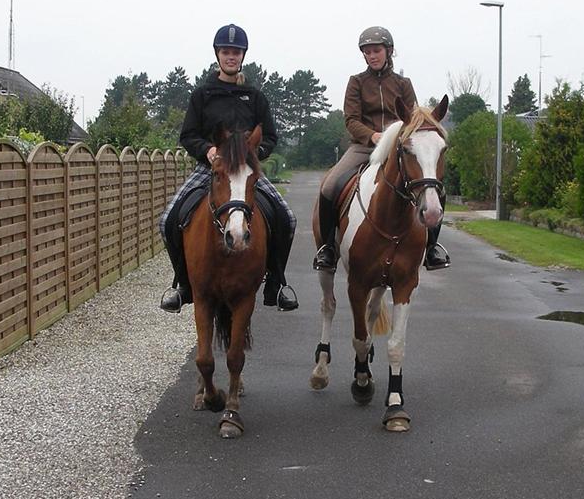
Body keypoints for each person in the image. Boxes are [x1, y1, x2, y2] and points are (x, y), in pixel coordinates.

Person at [159, 23, 298, 313]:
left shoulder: (255, 97)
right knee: (168, 219)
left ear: (243, 55)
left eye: (236, 52)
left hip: (245, 172)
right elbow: (188, 135)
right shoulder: (202, 95)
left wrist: (254, 154)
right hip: (211, 169)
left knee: (287, 218)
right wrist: (207, 150)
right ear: (218, 55)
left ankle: (276, 283)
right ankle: (182, 284)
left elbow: (270, 136)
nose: (231, 57)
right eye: (226, 52)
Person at [312, 25, 450, 272]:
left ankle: (431, 247)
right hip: (364, 147)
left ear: (389, 51)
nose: (372, 56)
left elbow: (413, 118)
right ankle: (328, 248)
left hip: (399, 149)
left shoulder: (403, 84)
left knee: (434, 187)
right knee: (330, 186)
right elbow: (351, 120)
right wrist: (372, 136)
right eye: (367, 52)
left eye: (376, 51)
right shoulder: (356, 82)